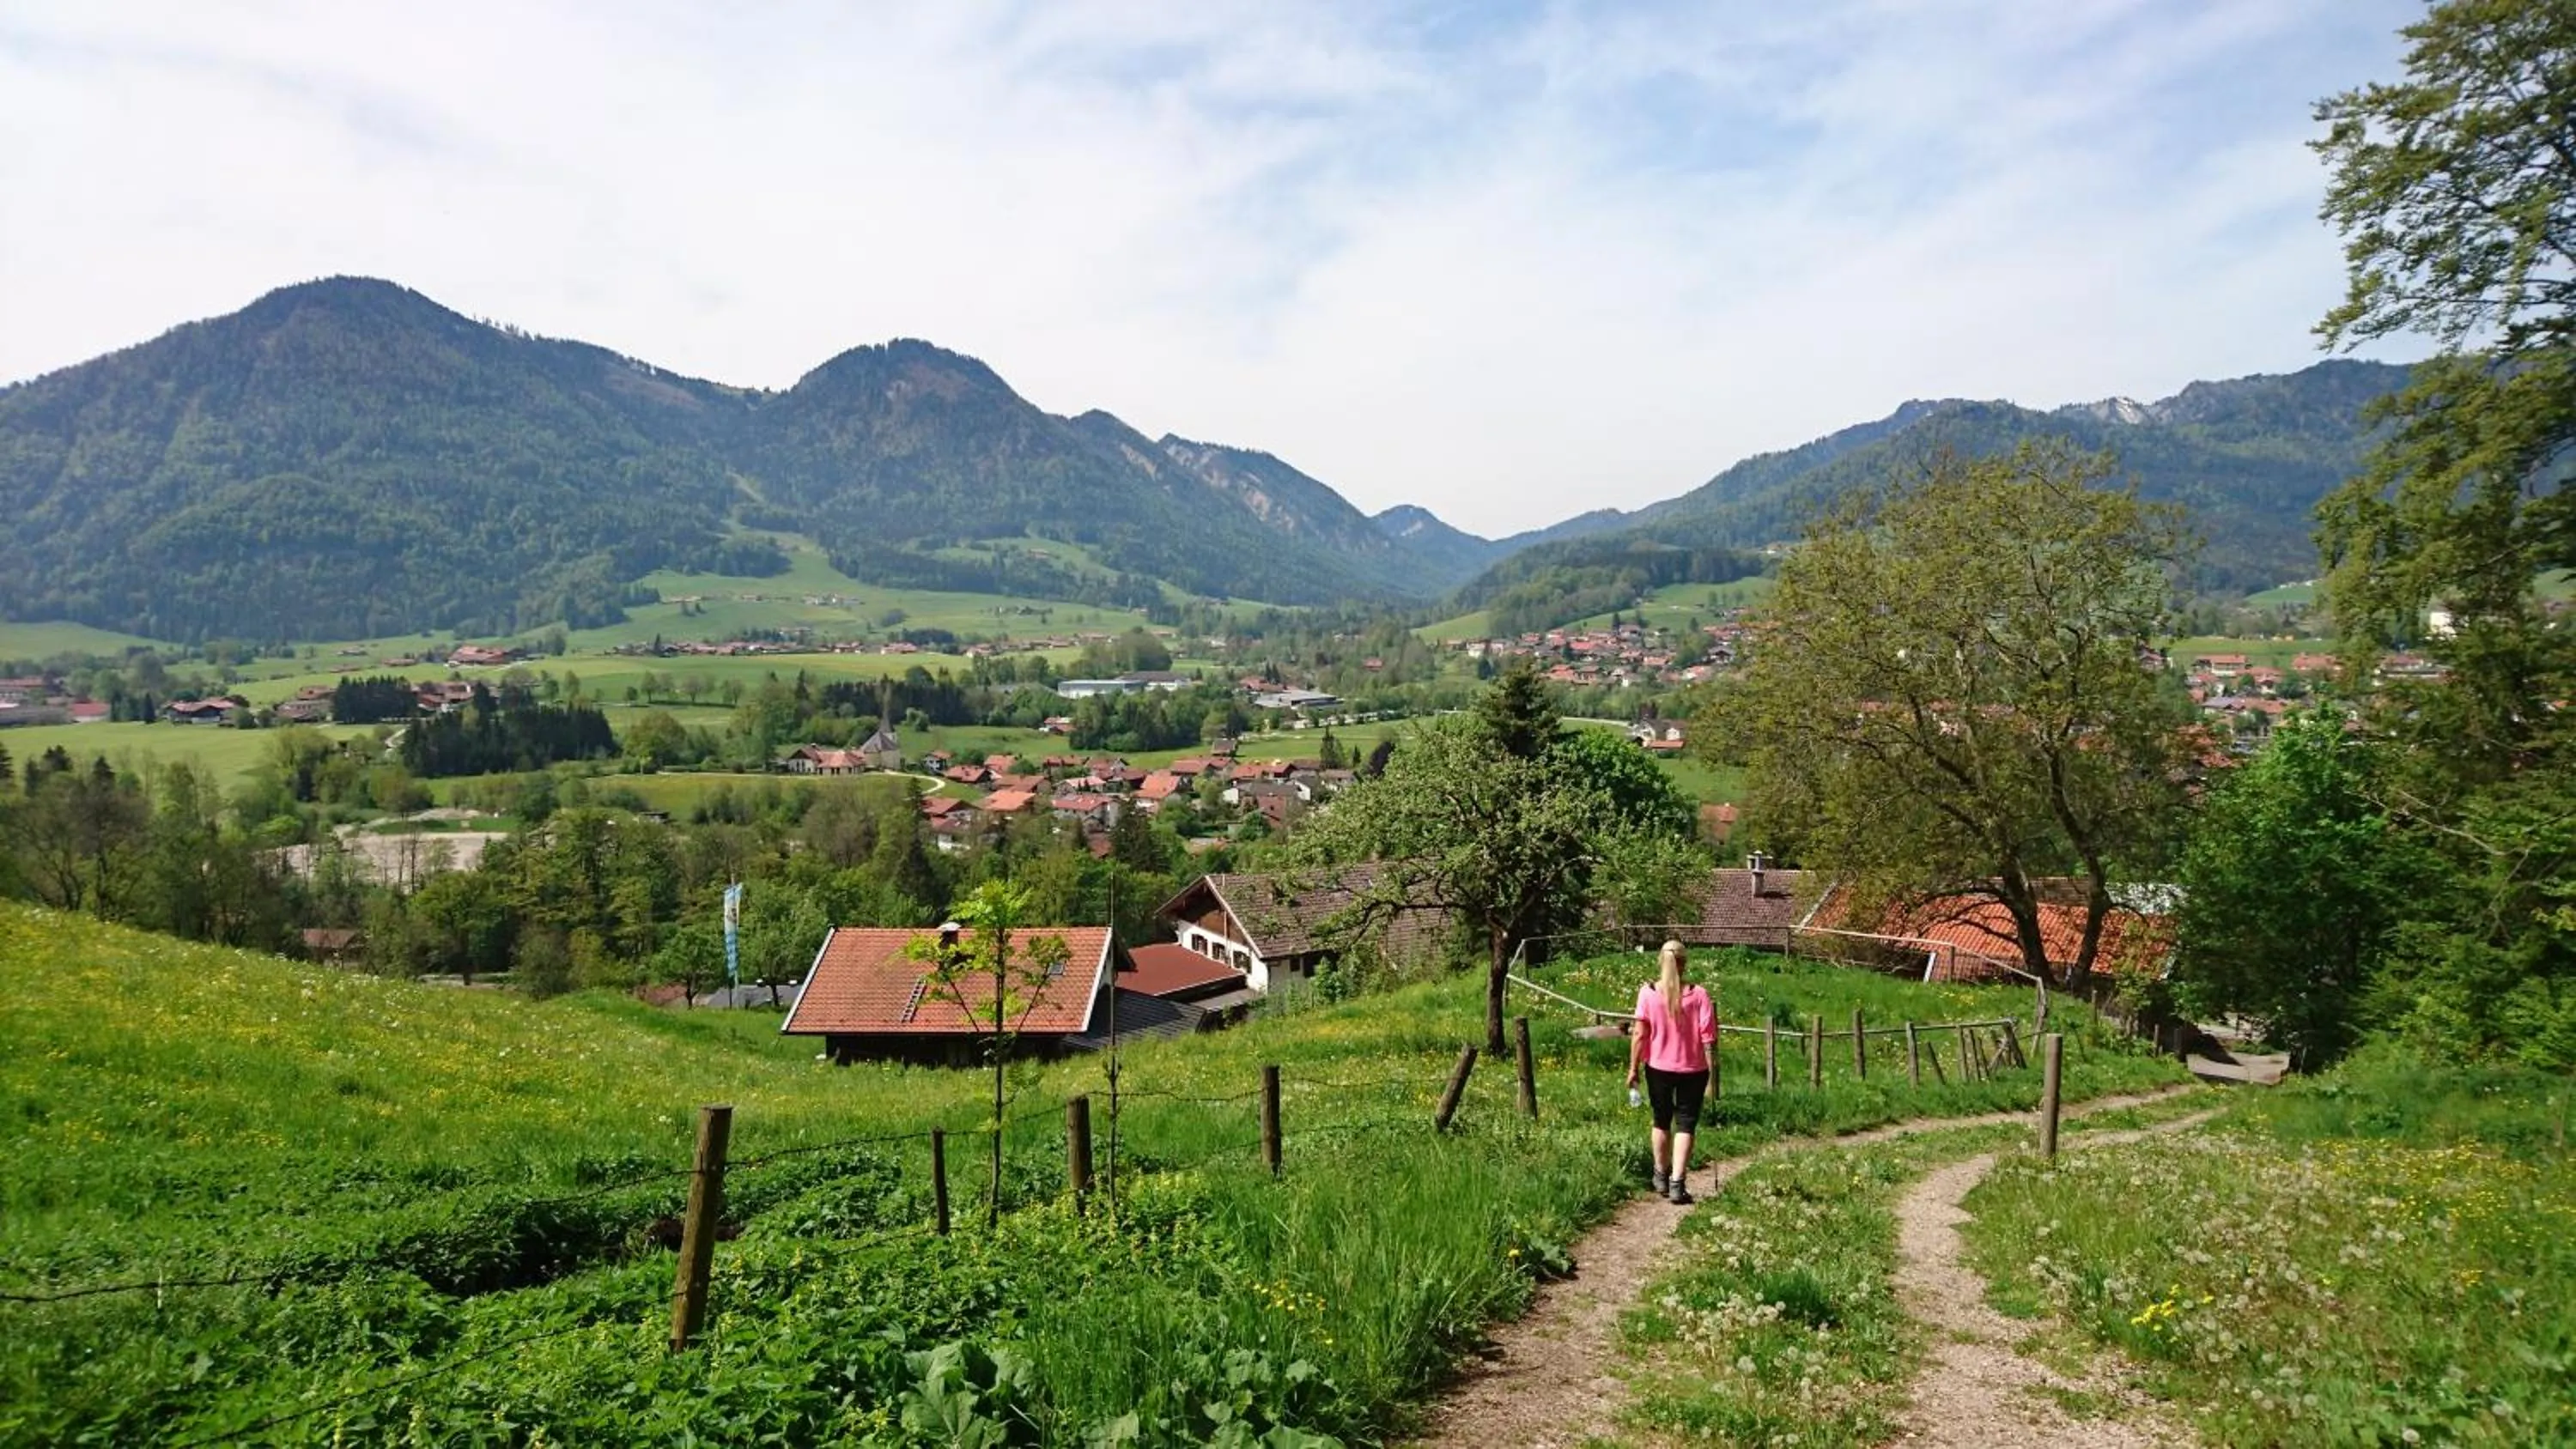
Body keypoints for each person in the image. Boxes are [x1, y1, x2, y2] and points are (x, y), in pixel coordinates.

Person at [1625, 939, 1715, 1203]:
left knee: (1661, 1120)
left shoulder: (1648, 992)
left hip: (1658, 1067)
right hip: (1693, 1068)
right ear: (1684, 963)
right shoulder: (1699, 994)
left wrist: (1633, 1068)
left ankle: (1660, 1175)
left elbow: (1641, 1034)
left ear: (1659, 962)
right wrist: (1713, 1070)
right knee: (1686, 1124)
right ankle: (1678, 1182)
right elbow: (1708, 1037)